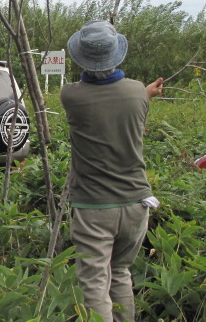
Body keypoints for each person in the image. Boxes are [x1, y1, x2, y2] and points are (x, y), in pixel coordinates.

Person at [61, 20, 164, 322]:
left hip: (94, 206)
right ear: (116, 55)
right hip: (135, 203)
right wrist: (148, 92)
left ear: (81, 57)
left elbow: (99, 99)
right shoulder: (136, 93)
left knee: (94, 282)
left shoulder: (70, 95)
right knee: (120, 272)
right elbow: (129, 98)